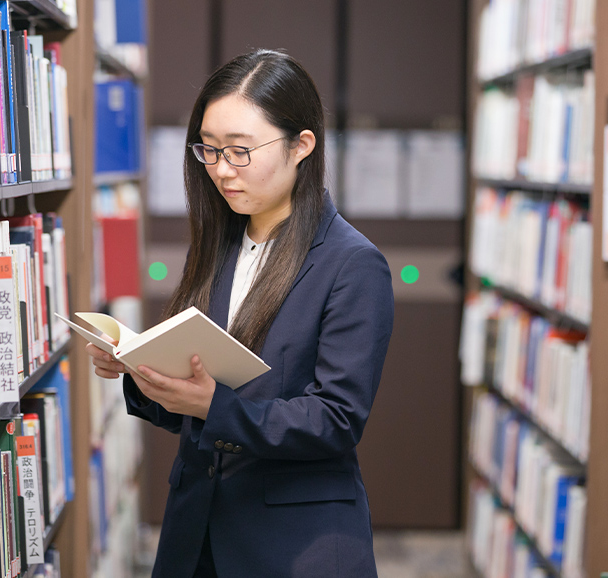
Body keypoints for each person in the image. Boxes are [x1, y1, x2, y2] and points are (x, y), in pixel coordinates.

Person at [85, 49, 394, 578]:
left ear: (301, 145)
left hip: (293, 542)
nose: (222, 170)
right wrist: (142, 372)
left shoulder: (353, 264)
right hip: (196, 529)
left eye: (240, 151)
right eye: (209, 149)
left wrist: (214, 406)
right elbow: (196, 402)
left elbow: (336, 420)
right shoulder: (221, 242)